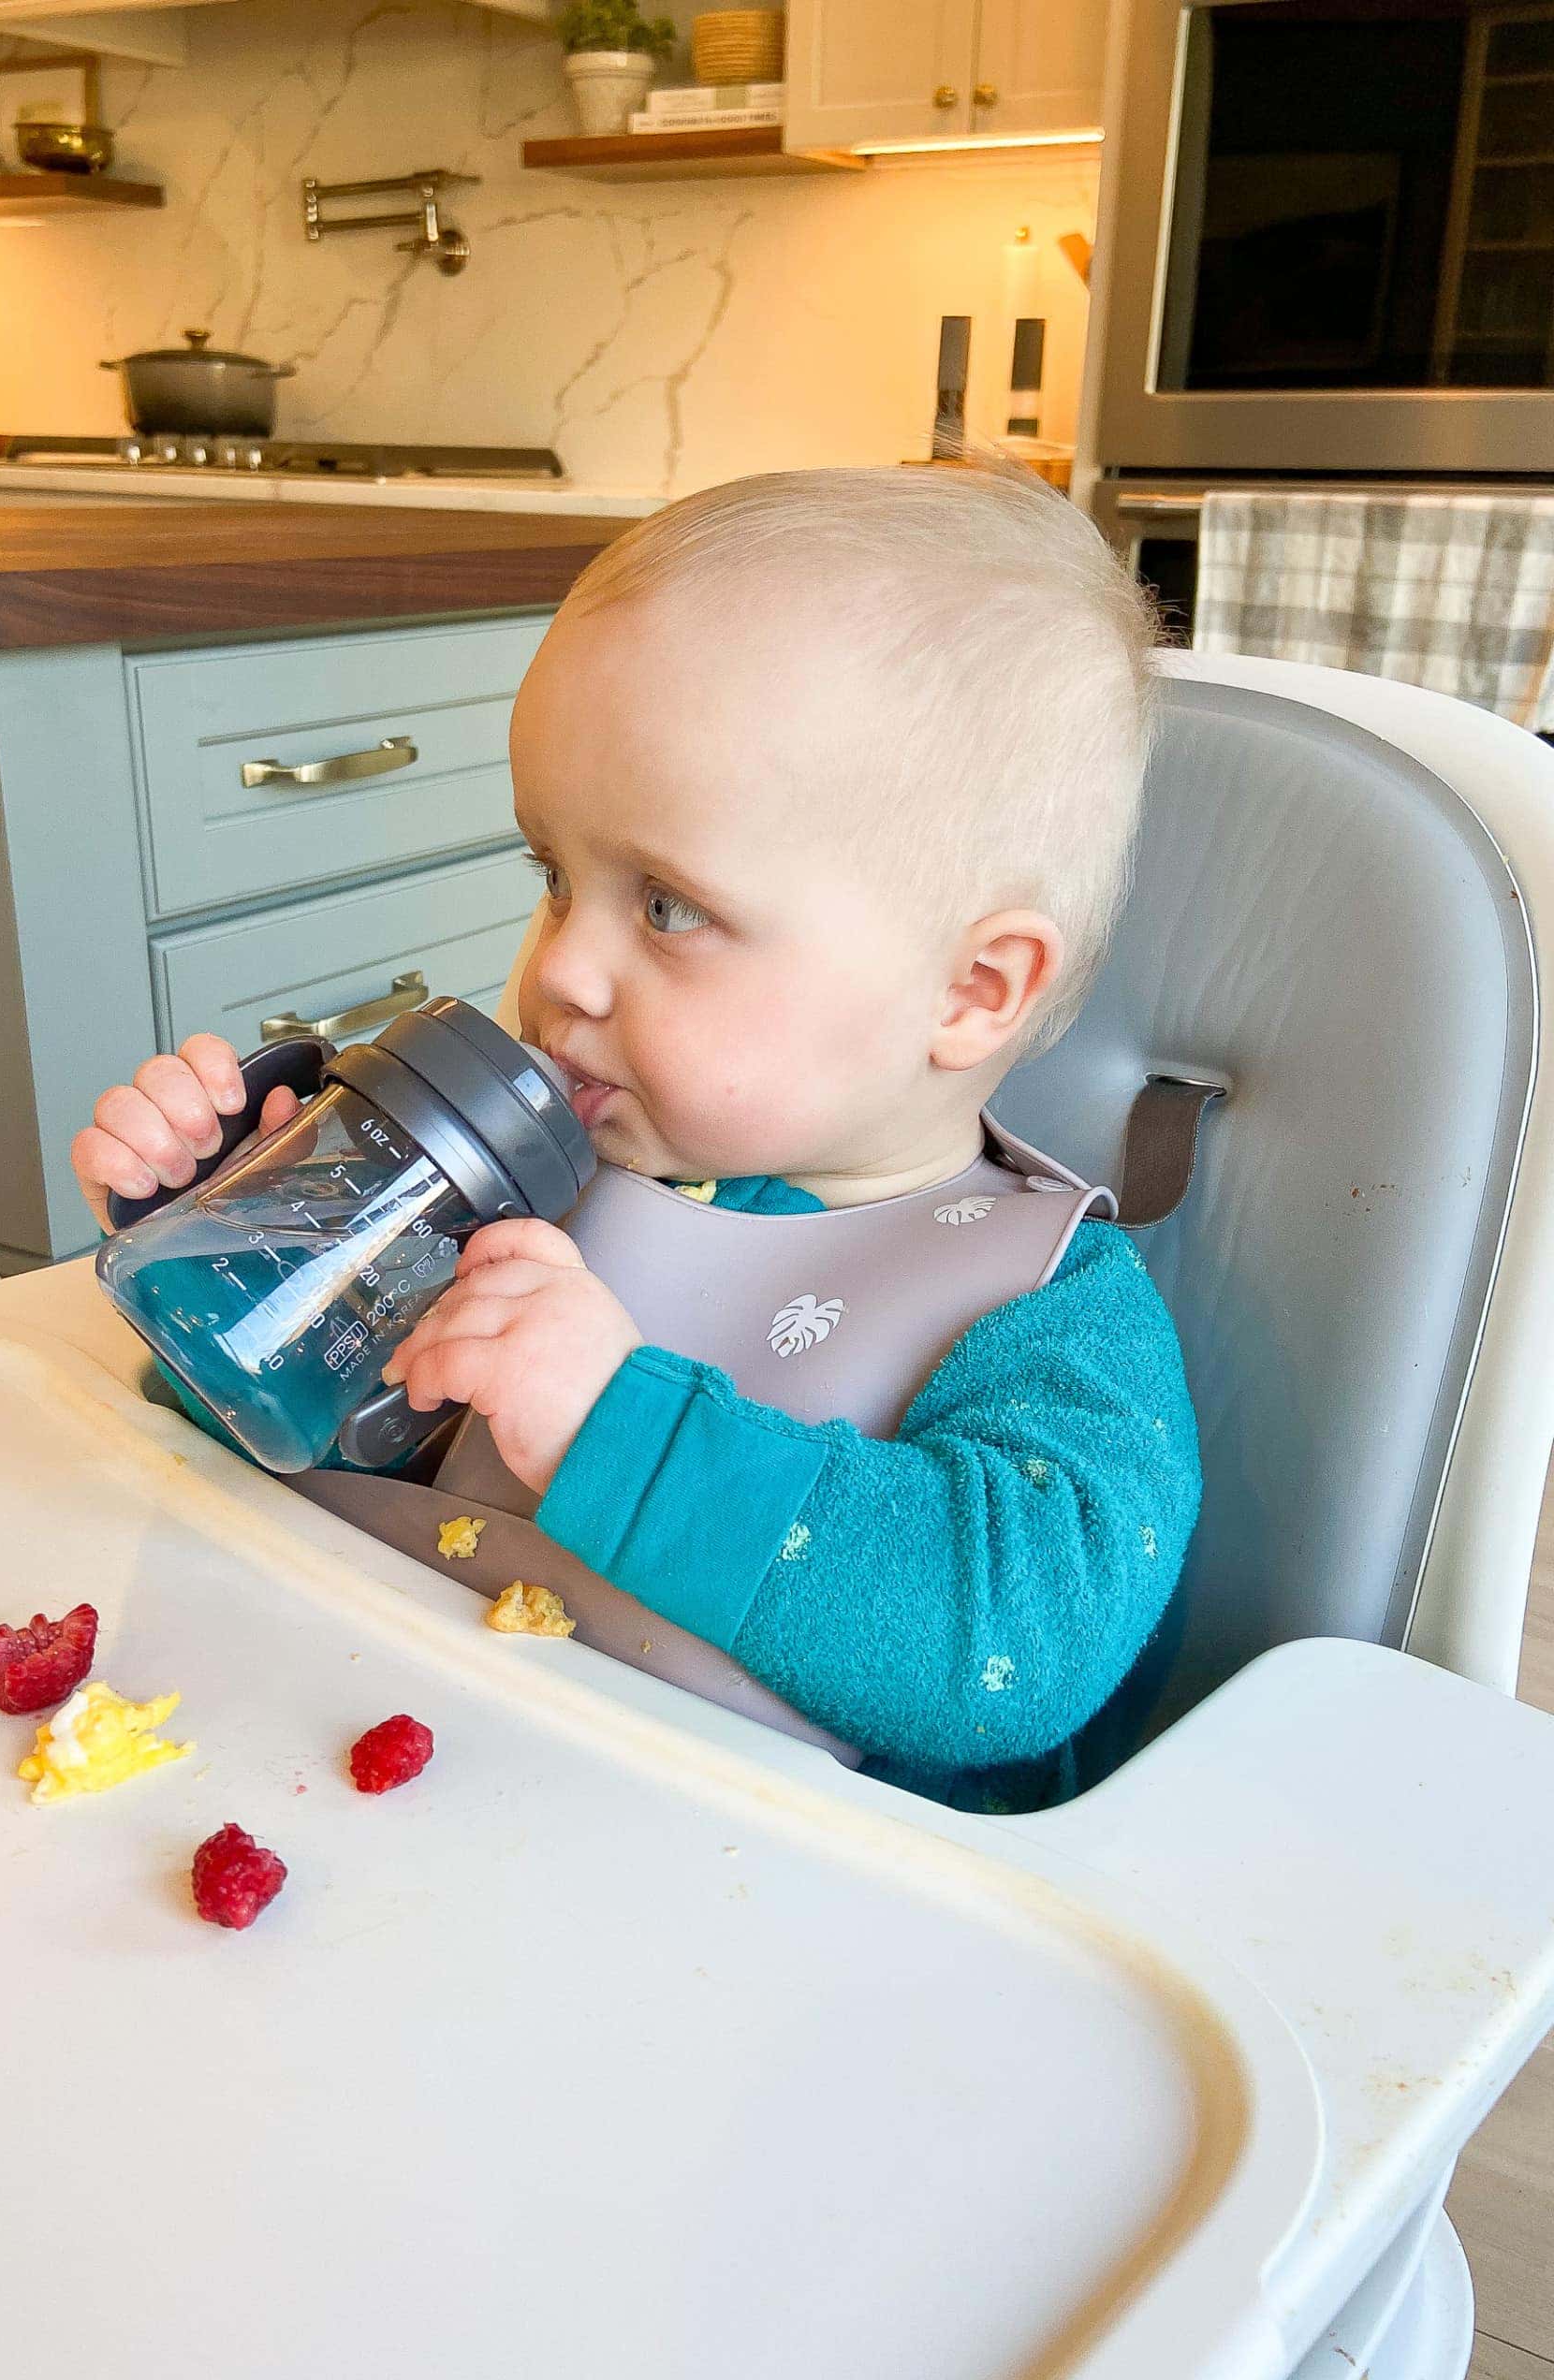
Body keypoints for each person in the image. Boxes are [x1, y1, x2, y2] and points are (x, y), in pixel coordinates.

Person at [72, 461, 1201, 1812]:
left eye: (666, 907)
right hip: (396, 1775)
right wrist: (234, 1241)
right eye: (554, 879)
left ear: (971, 991)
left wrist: (619, 1432)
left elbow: (1010, 1653)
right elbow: (308, 1451)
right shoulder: (542, 1189)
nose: (563, 971)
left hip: (759, 1915)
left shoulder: (1051, 1312)